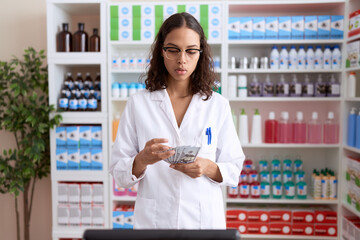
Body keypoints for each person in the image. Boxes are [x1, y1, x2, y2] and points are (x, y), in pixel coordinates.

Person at [110, 12, 245, 229]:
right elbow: (118, 170)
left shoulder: (217, 105)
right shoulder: (139, 104)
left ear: (200, 53)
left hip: (203, 221)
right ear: (161, 51)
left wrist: (208, 168)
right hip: (155, 222)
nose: (182, 59)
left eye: (191, 51)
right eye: (173, 50)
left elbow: (234, 166)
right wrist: (142, 160)